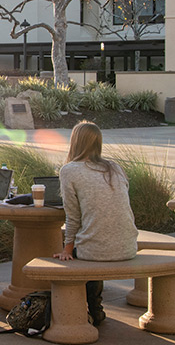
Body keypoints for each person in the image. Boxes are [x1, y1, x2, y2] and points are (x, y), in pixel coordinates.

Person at [53, 121, 138, 326]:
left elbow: (73, 217)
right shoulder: (115, 167)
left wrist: (67, 248)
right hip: (128, 247)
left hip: (97, 252)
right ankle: (96, 307)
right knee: (95, 237)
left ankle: (86, 309)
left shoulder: (69, 170)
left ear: (75, 142)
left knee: (81, 251)